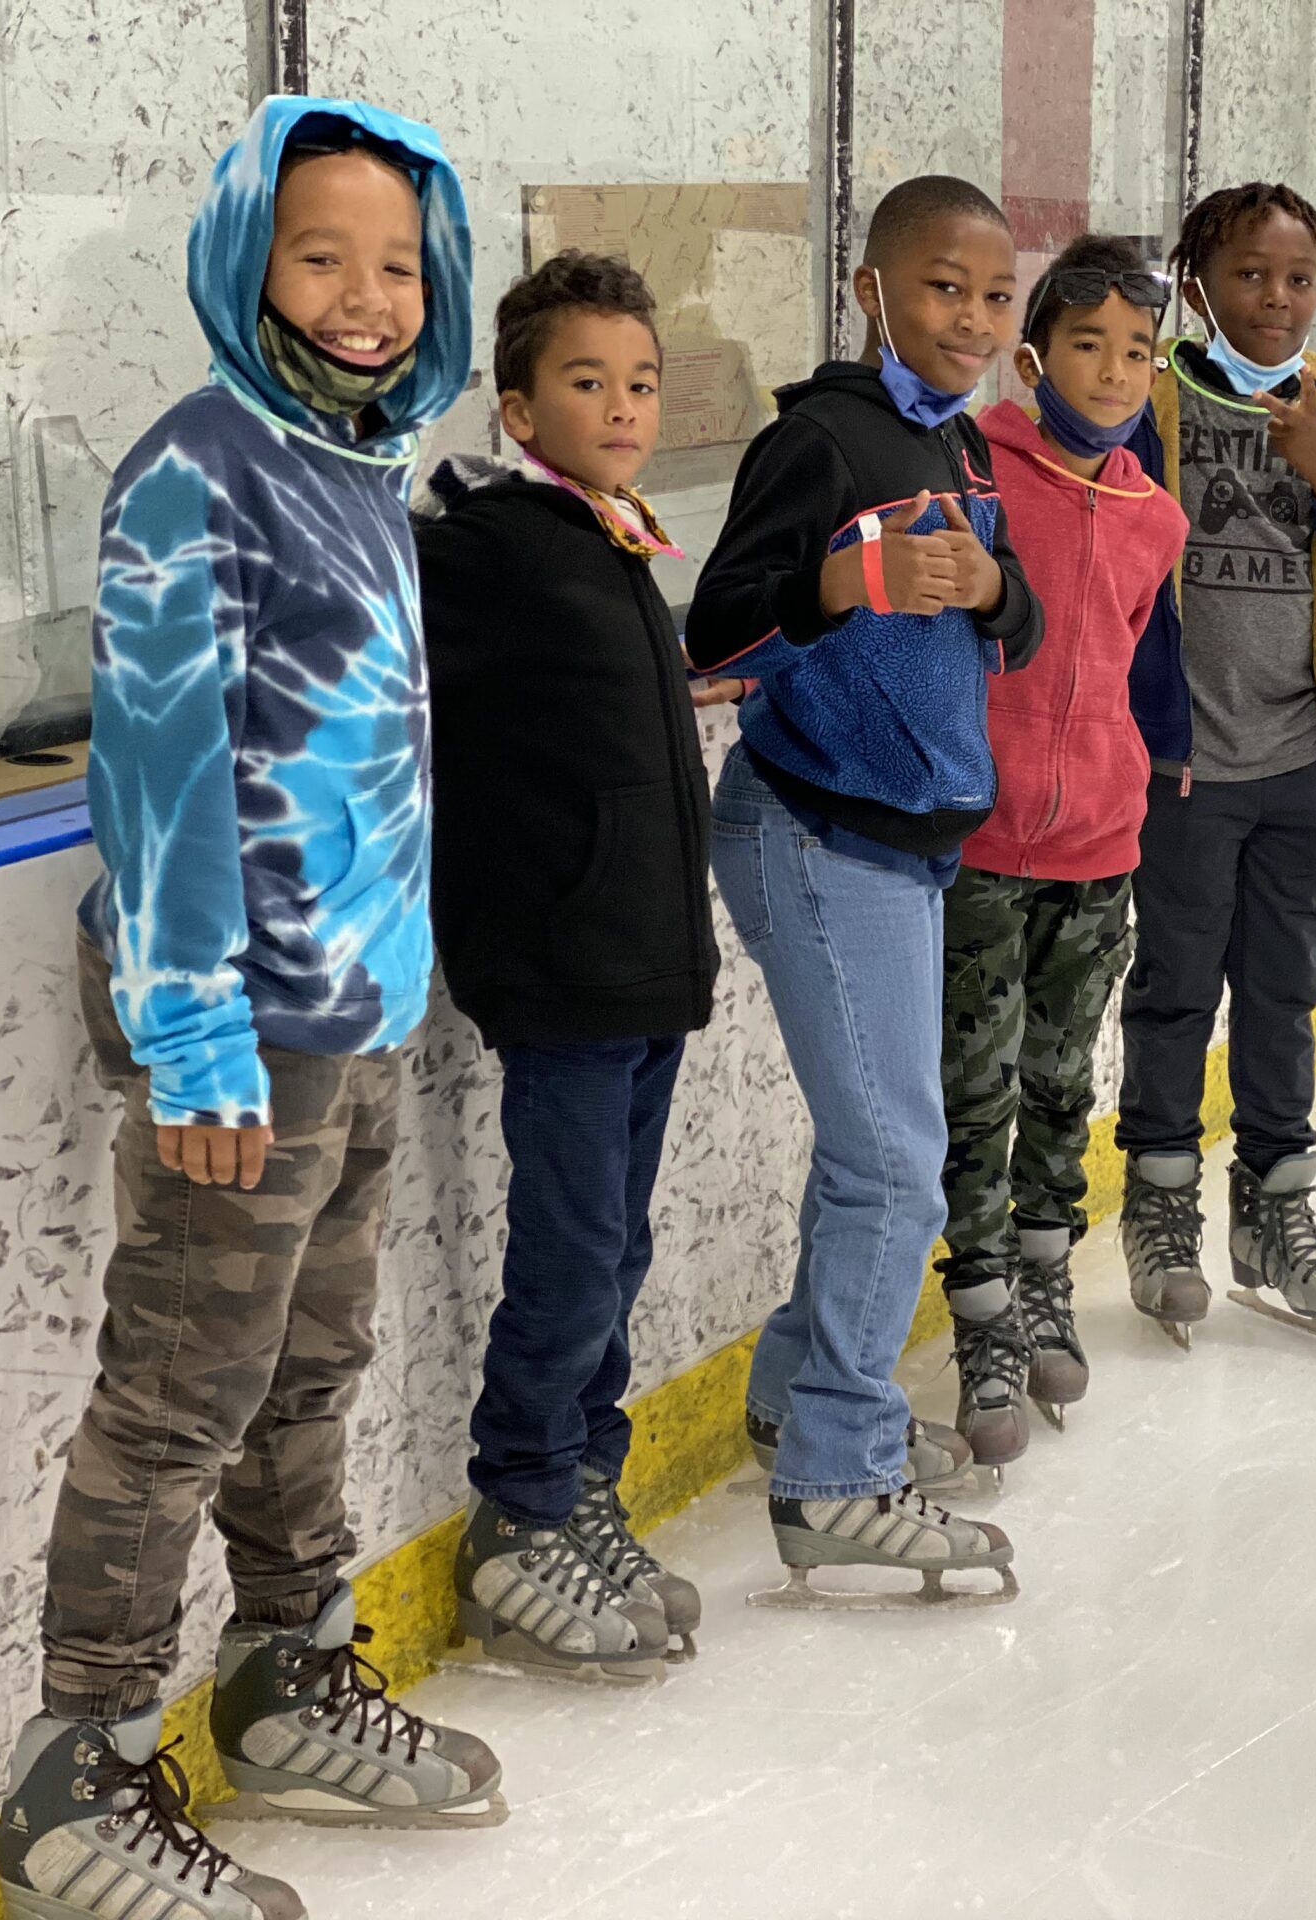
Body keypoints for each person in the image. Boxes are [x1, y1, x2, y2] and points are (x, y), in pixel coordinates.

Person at [0, 98, 495, 1920]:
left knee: (309, 1378)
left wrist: (400, 989)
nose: (367, 298)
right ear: (243, 263)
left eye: (394, 261)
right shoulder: (197, 465)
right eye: (320, 256)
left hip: (354, 1017)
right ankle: (81, 1780)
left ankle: (286, 1673)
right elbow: (160, 773)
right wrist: (198, 1034)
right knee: (178, 1401)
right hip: (245, 1038)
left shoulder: (357, 463)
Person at [685, 174, 1041, 1604]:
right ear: (872, 291)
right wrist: (831, 596)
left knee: (884, 1144)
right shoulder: (821, 439)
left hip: (902, 842)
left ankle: (800, 1393)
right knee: (895, 1157)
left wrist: (987, 590)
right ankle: (839, 1468)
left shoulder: (959, 448)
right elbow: (719, 626)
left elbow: (1009, 626)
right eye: (943, 286)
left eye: (994, 294)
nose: (971, 317)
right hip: (817, 830)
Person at [415, 252, 735, 1679]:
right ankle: (522, 1510)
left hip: (643, 963)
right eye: (586, 382)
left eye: (641, 382)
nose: (620, 405)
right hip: (560, 969)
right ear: (518, 399)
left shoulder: (606, 531)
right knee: (569, 1254)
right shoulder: (487, 540)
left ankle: (583, 1489)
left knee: (620, 1246)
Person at [1115, 182, 1316, 1347]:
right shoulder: (1149, 394)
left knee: (1283, 994)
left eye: (1298, 278)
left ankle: (1274, 1211)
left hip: (1301, 766)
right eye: (1249, 274)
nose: (1276, 299)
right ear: (1198, 283)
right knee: (1176, 991)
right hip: (1184, 772)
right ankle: (1158, 1206)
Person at [936, 235, 1189, 1462]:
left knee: (1056, 1080)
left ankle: (1045, 1271)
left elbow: (1133, 667)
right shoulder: (978, 463)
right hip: (981, 849)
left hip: (1100, 847)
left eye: (1135, 352)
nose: (1111, 371)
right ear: (1034, 354)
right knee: (970, 1091)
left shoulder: (1156, 516)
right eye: (1085, 344)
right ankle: (979, 1305)